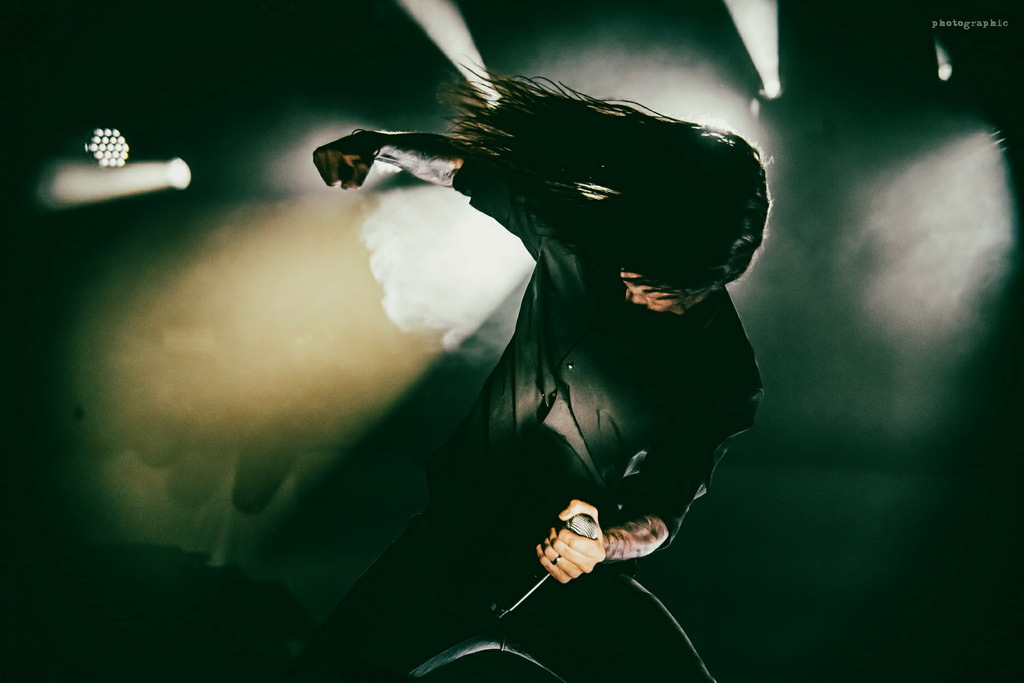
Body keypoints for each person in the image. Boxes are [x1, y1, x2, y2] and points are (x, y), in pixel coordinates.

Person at [289, 76, 770, 682]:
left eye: (654, 287)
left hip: (563, 576)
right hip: (449, 540)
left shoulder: (723, 374)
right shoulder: (587, 238)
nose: (628, 287)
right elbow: (469, 169)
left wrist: (602, 542)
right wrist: (379, 144)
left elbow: (660, 514)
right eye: (631, 266)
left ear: (708, 277)